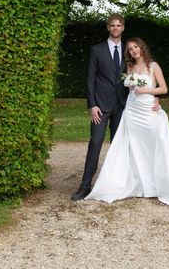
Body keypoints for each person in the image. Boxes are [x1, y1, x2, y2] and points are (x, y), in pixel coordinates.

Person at [84, 37, 169, 205]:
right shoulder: (129, 67)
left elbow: (164, 88)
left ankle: (159, 184)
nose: (134, 50)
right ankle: (139, 184)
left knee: (153, 145)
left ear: (142, 47)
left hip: (148, 110)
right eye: (130, 49)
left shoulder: (153, 66)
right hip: (132, 110)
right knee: (134, 147)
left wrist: (149, 92)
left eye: (136, 47)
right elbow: (126, 87)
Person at [71, 14, 129, 201]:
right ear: (108, 27)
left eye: (118, 25)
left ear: (123, 28)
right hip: (101, 107)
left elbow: (140, 75)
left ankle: (117, 185)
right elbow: (90, 79)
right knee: (95, 143)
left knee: (118, 146)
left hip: (122, 105)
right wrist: (92, 105)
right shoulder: (97, 50)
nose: (115, 28)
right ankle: (85, 186)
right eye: (112, 25)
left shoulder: (129, 51)